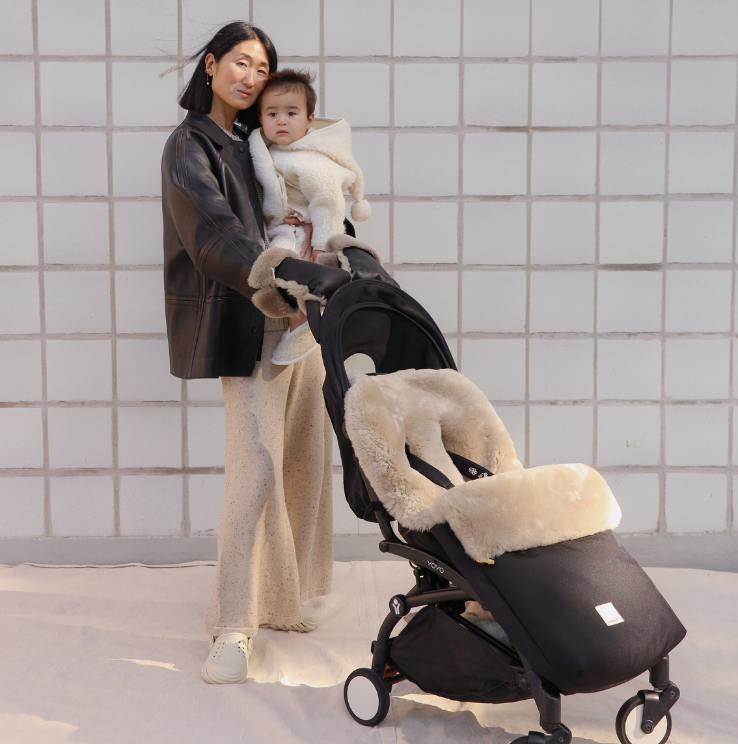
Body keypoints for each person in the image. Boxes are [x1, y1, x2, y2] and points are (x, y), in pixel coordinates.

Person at [160, 21, 352, 685]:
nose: (251, 77)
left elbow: (305, 192)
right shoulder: (190, 145)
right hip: (252, 321)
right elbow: (212, 235)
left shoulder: (258, 138)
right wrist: (286, 274)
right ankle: (234, 624)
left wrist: (330, 245)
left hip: (305, 320)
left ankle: (286, 600)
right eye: (240, 62)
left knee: (304, 461)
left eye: (262, 68)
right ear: (211, 65)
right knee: (257, 471)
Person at [248, 69, 371, 365]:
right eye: (272, 113)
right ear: (261, 118)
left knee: (295, 276)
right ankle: (299, 323)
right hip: (283, 229)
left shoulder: (308, 159)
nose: (281, 120)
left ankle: (304, 325)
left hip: (303, 235)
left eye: (291, 113)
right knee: (279, 276)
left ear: (309, 120)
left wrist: (320, 248)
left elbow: (328, 201)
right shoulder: (272, 151)